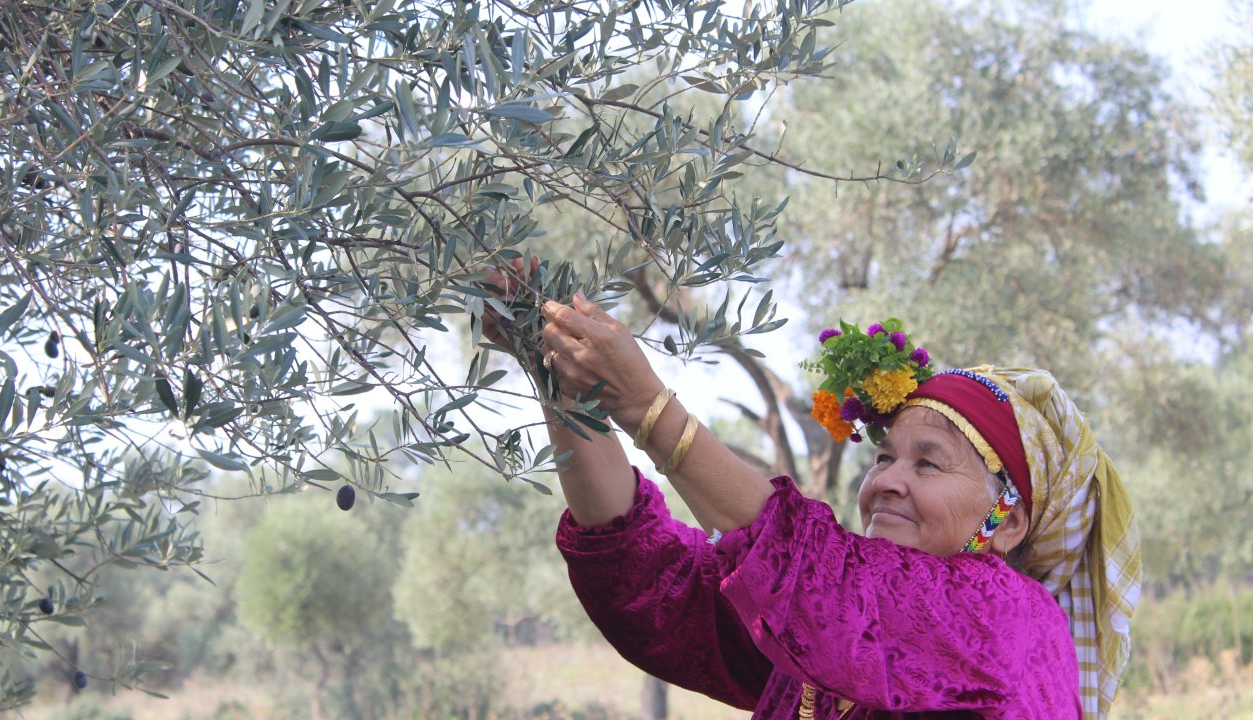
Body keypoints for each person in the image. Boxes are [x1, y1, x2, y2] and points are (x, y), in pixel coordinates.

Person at [482, 270, 1140, 720]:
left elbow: (817, 568)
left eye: (928, 463)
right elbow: (655, 588)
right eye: (883, 456)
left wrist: (648, 407)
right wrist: (568, 393)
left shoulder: (1009, 620)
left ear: (1009, 520)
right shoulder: (831, 626)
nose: (885, 480)